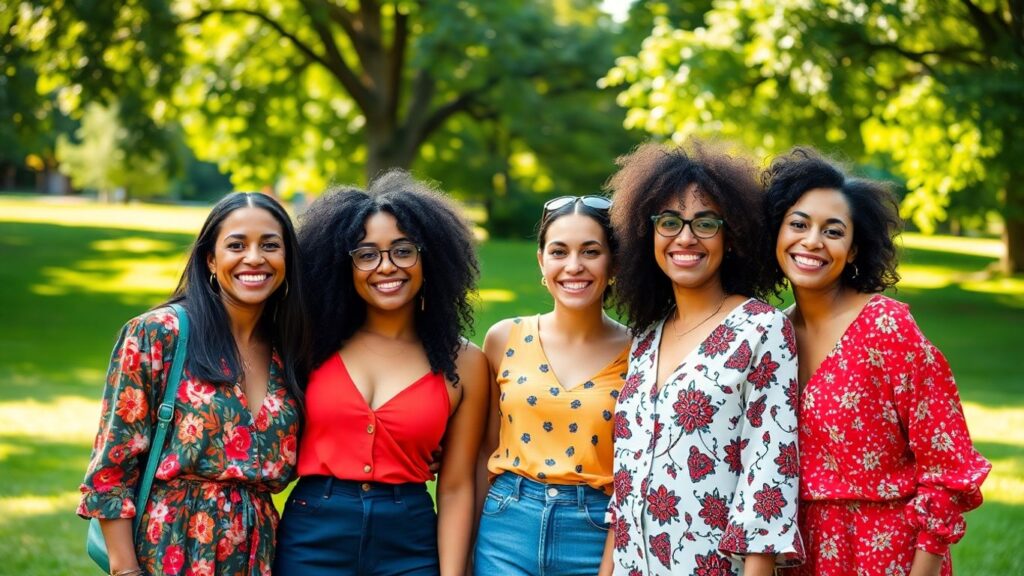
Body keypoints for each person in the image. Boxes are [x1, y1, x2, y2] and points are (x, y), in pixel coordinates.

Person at [763, 147, 991, 576]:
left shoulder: (885, 327)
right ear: (775, 233)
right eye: (798, 224)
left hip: (887, 553)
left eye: (833, 231)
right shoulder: (771, 335)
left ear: (852, 250)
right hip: (803, 555)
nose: (812, 241)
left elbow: (946, 466)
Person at [78, 192, 311, 576]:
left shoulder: (292, 352)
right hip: (170, 552)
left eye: (270, 245)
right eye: (237, 245)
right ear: (210, 259)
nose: (255, 257)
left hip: (259, 557)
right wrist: (126, 570)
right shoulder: (160, 334)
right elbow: (111, 471)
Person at [599, 141, 804, 576]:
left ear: (732, 237)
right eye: (669, 222)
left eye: (705, 223)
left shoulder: (761, 329)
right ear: (648, 234)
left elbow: (768, 480)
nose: (686, 237)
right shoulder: (646, 338)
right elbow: (627, 481)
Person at [273, 170, 489, 576]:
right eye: (367, 254)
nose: (386, 267)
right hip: (311, 536)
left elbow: (457, 486)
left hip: (410, 543)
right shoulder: (308, 346)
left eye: (403, 251)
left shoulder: (464, 363)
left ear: (430, 258)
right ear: (344, 265)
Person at [474, 195, 631, 574]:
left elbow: (636, 477)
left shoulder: (641, 351)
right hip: (505, 529)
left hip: (594, 534)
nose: (574, 266)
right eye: (559, 252)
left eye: (591, 251)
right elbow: (482, 454)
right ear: (541, 261)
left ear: (613, 262)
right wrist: (465, 554)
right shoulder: (503, 338)